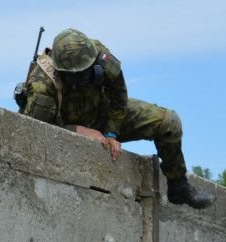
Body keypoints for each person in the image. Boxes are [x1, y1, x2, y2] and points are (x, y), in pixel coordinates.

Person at [21, 28, 214, 209]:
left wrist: (111, 133)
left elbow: (119, 96)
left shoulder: (101, 58)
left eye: (86, 72)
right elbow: (36, 132)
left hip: (102, 114)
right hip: (64, 122)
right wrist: (77, 131)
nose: (83, 78)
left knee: (168, 122)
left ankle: (178, 186)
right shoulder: (43, 83)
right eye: (76, 76)